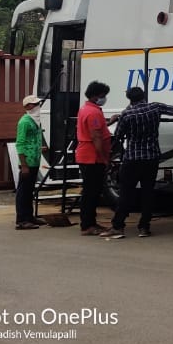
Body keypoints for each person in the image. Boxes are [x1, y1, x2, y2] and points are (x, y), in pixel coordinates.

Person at [103, 87, 173, 239]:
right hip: (152, 156)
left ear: (129, 99)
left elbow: (118, 135)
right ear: (143, 96)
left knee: (125, 193)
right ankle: (144, 227)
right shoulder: (155, 107)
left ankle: (118, 226)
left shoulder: (127, 114)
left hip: (132, 158)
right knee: (148, 192)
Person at [76, 81, 113, 236]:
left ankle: (89, 222)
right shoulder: (93, 113)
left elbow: (99, 129)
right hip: (92, 157)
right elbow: (96, 136)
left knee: (90, 191)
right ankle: (88, 225)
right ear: (96, 95)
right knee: (91, 192)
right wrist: (104, 157)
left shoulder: (86, 109)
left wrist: (112, 121)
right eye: (103, 95)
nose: (104, 98)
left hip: (87, 155)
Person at [15, 95, 46, 230]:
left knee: (29, 191)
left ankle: (29, 216)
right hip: (27, 162)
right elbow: (20, 143)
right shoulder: (25, 122)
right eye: (35, 104)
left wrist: (40, 148)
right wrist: (24, 165)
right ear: (27, 107)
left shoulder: (34, 121)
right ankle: (22, 220)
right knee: (24, 192)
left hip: (34, 161)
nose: (37, 106)